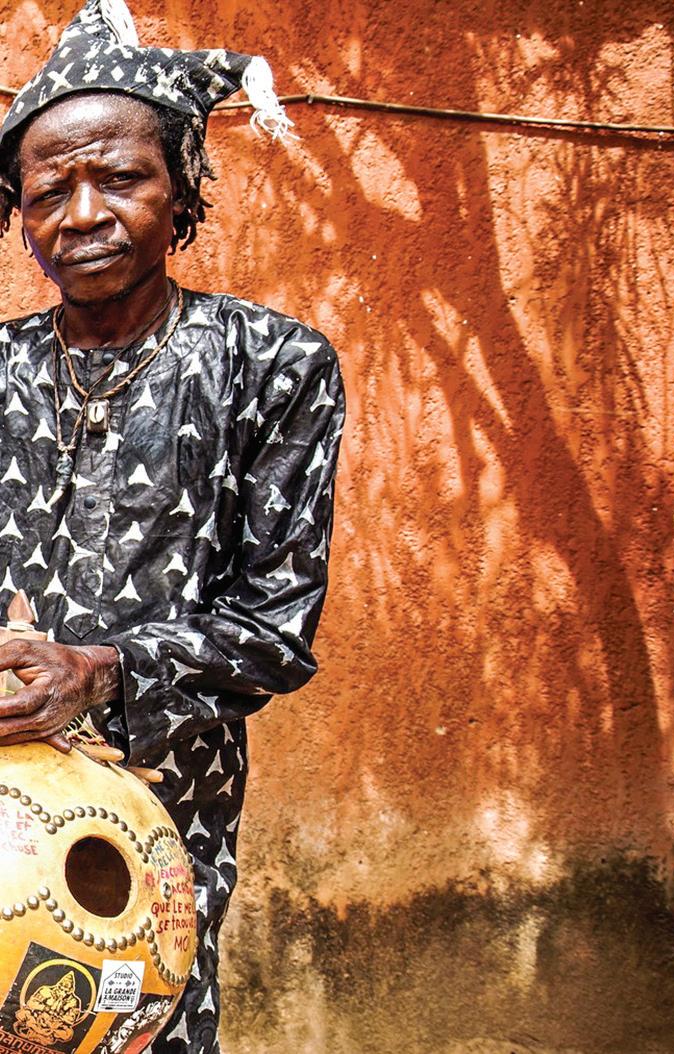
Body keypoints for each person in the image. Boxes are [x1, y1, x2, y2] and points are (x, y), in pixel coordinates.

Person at [0, 1, 345, 1051]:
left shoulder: (273, 367)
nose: (82, 214)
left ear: (184, 185)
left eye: (121, 178)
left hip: (157, 811)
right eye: (47, 192)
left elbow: (274, 629)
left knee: (136, 1023)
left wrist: (97, 670)